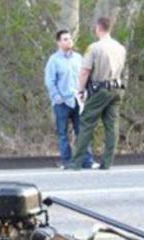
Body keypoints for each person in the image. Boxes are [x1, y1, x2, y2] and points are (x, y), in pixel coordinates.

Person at [70, 17, 126, 171]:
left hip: (100, 89)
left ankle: (76, 162)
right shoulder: (120, 48)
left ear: (98, 28)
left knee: (87, 123)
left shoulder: (94, 48)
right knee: (112, 125)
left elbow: (85, 71)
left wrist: (80, 90)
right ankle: (107, 162)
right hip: (117, 88)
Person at [44, 30, 96, 169]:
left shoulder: (78, 58)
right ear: (59, 42)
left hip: (78, 101)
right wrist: (57, 98)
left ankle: (87, 160)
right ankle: (67, 161)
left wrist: (85, 93)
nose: (69, 41)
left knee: (82, 131)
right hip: (62, 102)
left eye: (70, 38)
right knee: (63, 133)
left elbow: (85, 76)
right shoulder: (53, 60)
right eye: (65, 39)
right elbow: (50, 81)